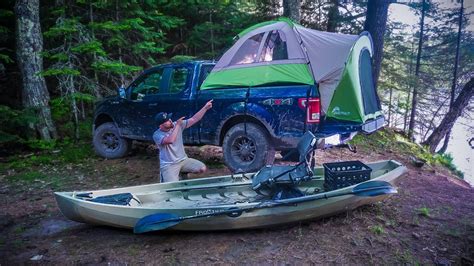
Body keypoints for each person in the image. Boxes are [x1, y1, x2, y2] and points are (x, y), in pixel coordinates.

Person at [153, 100, 213, 183]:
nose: (170, 121)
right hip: (169, 165)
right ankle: (172, 175)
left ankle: (182, 173)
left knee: (202, 168)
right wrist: (177, 125)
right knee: (171, 189)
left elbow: (194, 119)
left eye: (169, 118)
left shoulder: (176, 125)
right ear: (161, 125)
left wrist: (205, 108)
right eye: (166, 121)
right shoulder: (157, 135)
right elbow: (170, 140)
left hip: (183, 160)